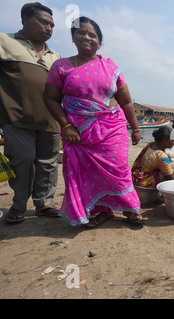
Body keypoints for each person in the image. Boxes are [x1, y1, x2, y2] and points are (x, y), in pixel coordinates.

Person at [44, 16, 142, 227]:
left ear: (99, 41)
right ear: (73, 37)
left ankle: (130, 207)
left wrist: (135, 128)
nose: (86, 37)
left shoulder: (110, 67)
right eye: (81, 32)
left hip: (112, 127)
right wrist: (66, 125)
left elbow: (126, 101)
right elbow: (50, 98)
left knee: (119, 168)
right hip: (78, 132)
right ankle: (103, 211)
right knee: (88, 174)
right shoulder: (61, 66)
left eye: (92, 34)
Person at [1, 3, 62, 224]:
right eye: (44, 22)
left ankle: (43, 203)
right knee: (23, 160)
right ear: (25, 18)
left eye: (52, 25)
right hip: (16, 117)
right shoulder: (4, 41)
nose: (49, 28)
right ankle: (18, 205)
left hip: (50, 120)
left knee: (48, 163)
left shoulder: (56, 56)